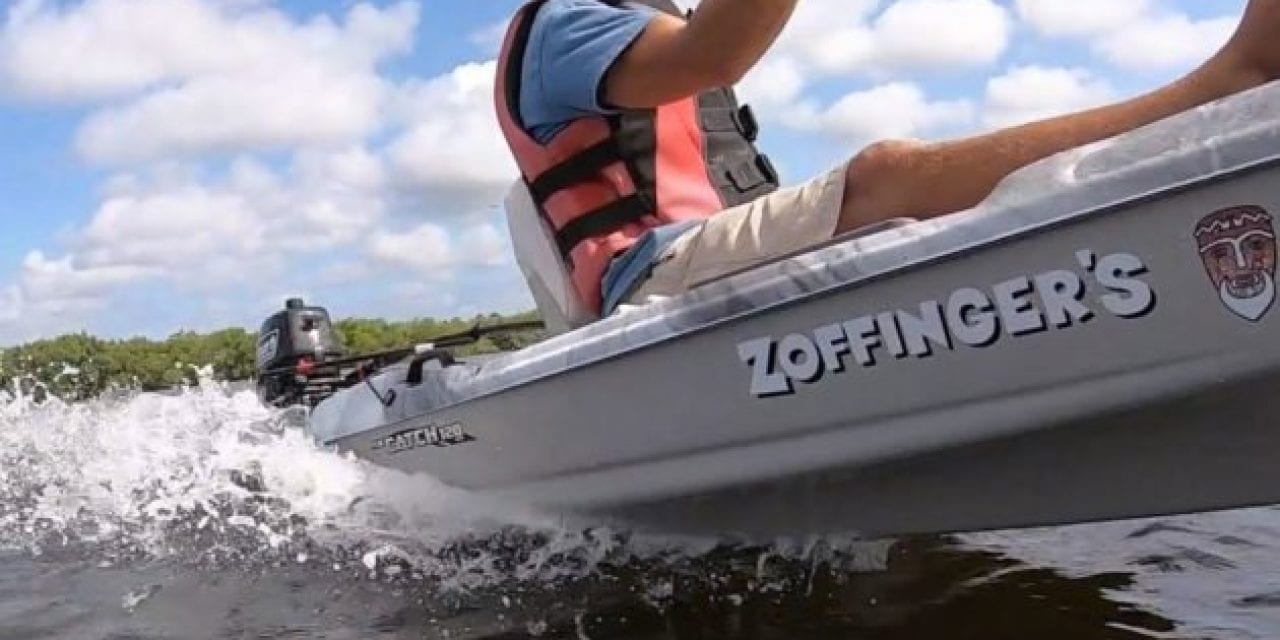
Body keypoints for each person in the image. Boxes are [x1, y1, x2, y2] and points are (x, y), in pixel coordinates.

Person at [496, 0, 1280, 320]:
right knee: (887, 175)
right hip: (652, 277)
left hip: (706, 267)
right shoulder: (566, 23)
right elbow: (717, 50)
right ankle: (1225, 89)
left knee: (935, 188)